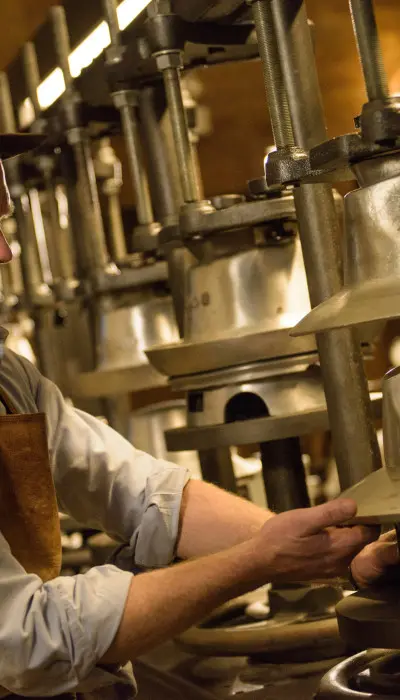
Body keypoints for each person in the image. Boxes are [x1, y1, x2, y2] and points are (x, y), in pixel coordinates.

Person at [0, 132, 395, 700]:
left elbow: (141, 493)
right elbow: (30, 641)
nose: (7, 253)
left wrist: (338, 558)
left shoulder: (9, 377)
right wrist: (258, 561)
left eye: (5, 222)